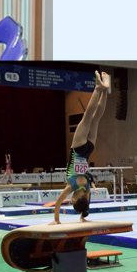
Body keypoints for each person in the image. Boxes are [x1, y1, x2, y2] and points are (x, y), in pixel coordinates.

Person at [49, 71, 112, 224]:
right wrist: (56, 220)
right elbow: (57, 203)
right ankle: (98, 88)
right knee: (88, 116)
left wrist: (83, 216)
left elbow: (86, 204)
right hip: (78, 148)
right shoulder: (71, 186)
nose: (70, 200)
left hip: (89, 149)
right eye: (72, 202)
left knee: (96, 118)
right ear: (74, 199)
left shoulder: (87, 189)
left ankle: (105, 90)